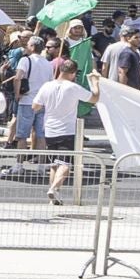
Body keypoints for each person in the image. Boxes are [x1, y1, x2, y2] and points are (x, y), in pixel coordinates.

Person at [32, 59, 98, 205]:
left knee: (55, 164)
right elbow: (93, 99)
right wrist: (95, 84)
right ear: (73, 73)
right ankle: (54, 188)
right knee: (66, 165)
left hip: (49, 129)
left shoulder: (47, 86)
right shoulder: (73, 87)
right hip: (66, 130)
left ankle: (54, 194)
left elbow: (35, 106)